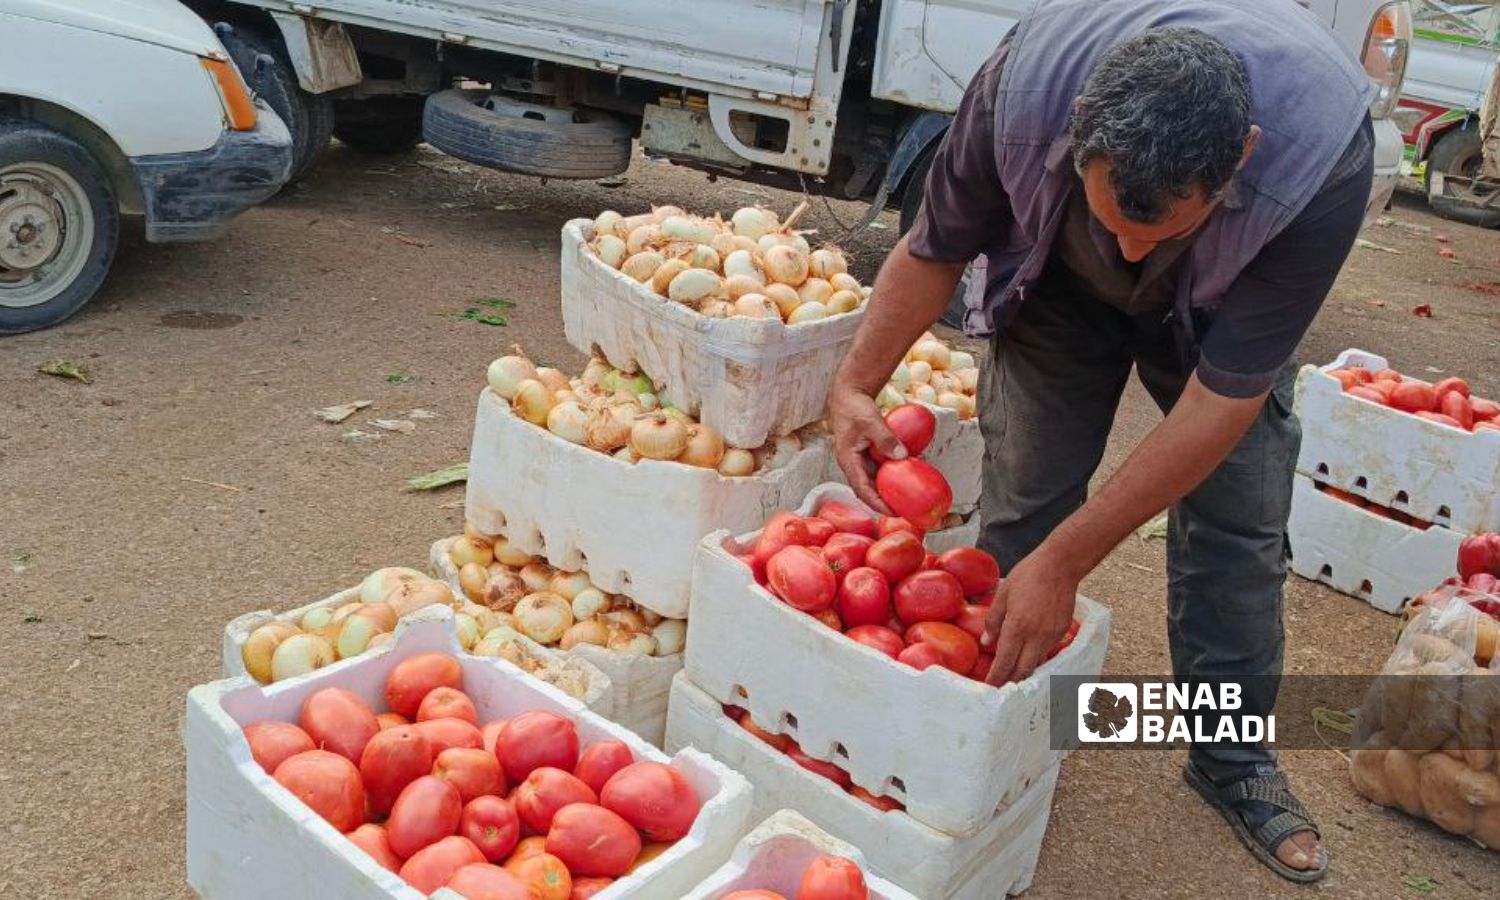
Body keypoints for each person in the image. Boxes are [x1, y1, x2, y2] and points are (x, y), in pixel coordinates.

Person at [829, 0, 1375, 883]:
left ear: (1240, 157)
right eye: (1114, 217)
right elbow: (935, 246)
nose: (1127, 248)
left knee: (1239, 523)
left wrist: (1071, 561)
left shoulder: (1321, 162)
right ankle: (997, 729)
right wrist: (855, 383)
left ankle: (1230, 756)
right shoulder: (1022, 90)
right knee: (1027, 500)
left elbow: (1219, 405)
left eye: (1156, 232)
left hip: (1220, 306)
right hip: (1058, 288)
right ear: (1080, 131)